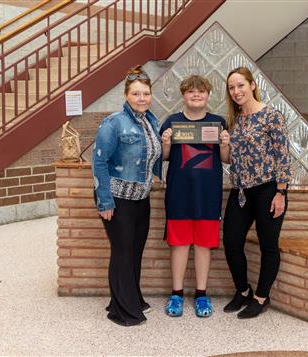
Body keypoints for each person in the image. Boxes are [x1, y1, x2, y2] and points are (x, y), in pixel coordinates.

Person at [91, 65, 162, 326]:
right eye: (136, 94)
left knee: (134, 251)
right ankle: (124, 311)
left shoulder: (151, 121)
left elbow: (152, 156)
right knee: (122, 252)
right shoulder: (114, 123)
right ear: (126, 95)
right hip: (117, 199)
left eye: (145, 93)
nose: (142, 98)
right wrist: (105, 200)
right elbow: (98, 162)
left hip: (141, 198)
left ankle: (129, 298)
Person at [221, 66, 290, 319]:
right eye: (231, 87)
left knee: (268, 245)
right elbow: (228, 159)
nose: (236, 91)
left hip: (268, 189)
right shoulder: (234, 120)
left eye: (240, 85)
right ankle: (243, 290)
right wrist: (224, 146)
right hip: (240, 191)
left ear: (252, 85)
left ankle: (261, 296)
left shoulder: (272, 115)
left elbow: (283, 155)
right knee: (231, 242)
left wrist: (280, 192)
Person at [159, 75, 229, 318]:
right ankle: (176, 294)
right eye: (191, 92)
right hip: (179, 194)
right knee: (178, 245)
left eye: (201, 91)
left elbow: (226, 159)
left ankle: (201, 294)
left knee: (203, 246)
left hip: (208, 196)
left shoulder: (218, 122)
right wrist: (166, 142)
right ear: (183, 95)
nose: (196, 95)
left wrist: (226, 144)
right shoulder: (172, 122)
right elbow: (165, 157)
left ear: (208, 95)